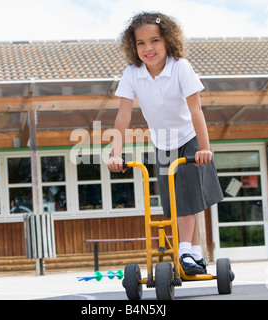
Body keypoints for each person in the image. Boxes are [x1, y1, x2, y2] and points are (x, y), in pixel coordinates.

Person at [107, 12, 223, 275]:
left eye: (155, 41)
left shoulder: (180, 67)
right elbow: (123, 115)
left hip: (189, 137)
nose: (148, 48)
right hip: (162, 144)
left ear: (168, 41)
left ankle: (183, 251)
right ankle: (195, 255)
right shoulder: (132, 74)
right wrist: (116, 153)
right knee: (173, 201)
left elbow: (196, 110)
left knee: (187, 196)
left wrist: (204, 148)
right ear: (133, 46)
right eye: (141, 43)